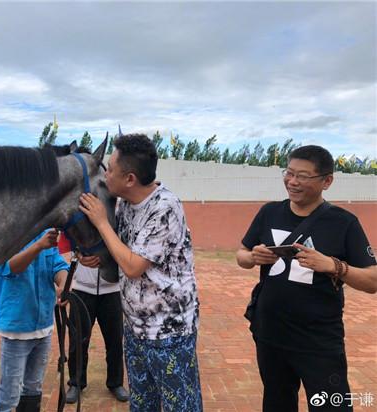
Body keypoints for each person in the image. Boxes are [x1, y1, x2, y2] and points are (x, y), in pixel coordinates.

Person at [236, 145, 377, 412]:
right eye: (288, 173)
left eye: (302, 176)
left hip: (319, 340)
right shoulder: (269, 212)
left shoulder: (344, 222)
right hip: (270, 333)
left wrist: (333, 266)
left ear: (327, 181)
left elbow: (373, 280)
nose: (292, 181)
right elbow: (241, 254)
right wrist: (252, 257)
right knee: (277, 403)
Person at [78, 134, 203, 412]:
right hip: (136, 327)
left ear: (130, 179)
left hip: (169, 331)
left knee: (179, 405)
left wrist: (101, 223)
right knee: (142, 402)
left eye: (109, 168)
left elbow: (134, 266)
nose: (105, 174)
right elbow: (120, 251)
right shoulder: (124, 204)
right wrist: (94, 257)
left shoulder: (165, 207)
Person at [0, 229, 69, 412]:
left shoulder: (46, 232)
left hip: (44, 325)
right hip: (17, 328)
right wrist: (38, 246)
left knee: (33, 388)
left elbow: (57, 265)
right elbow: (9, 267)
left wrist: (64, 283)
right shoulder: (5, 232)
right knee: (8, 397)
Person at [61, 250, 129, 403]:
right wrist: (79, 256)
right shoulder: (81, 224)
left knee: (115, 340)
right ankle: (76, 383)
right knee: (77, 340)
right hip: (82, 288)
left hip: (112, 288)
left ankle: (115, 382)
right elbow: (71, 237)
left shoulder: (116, 224)